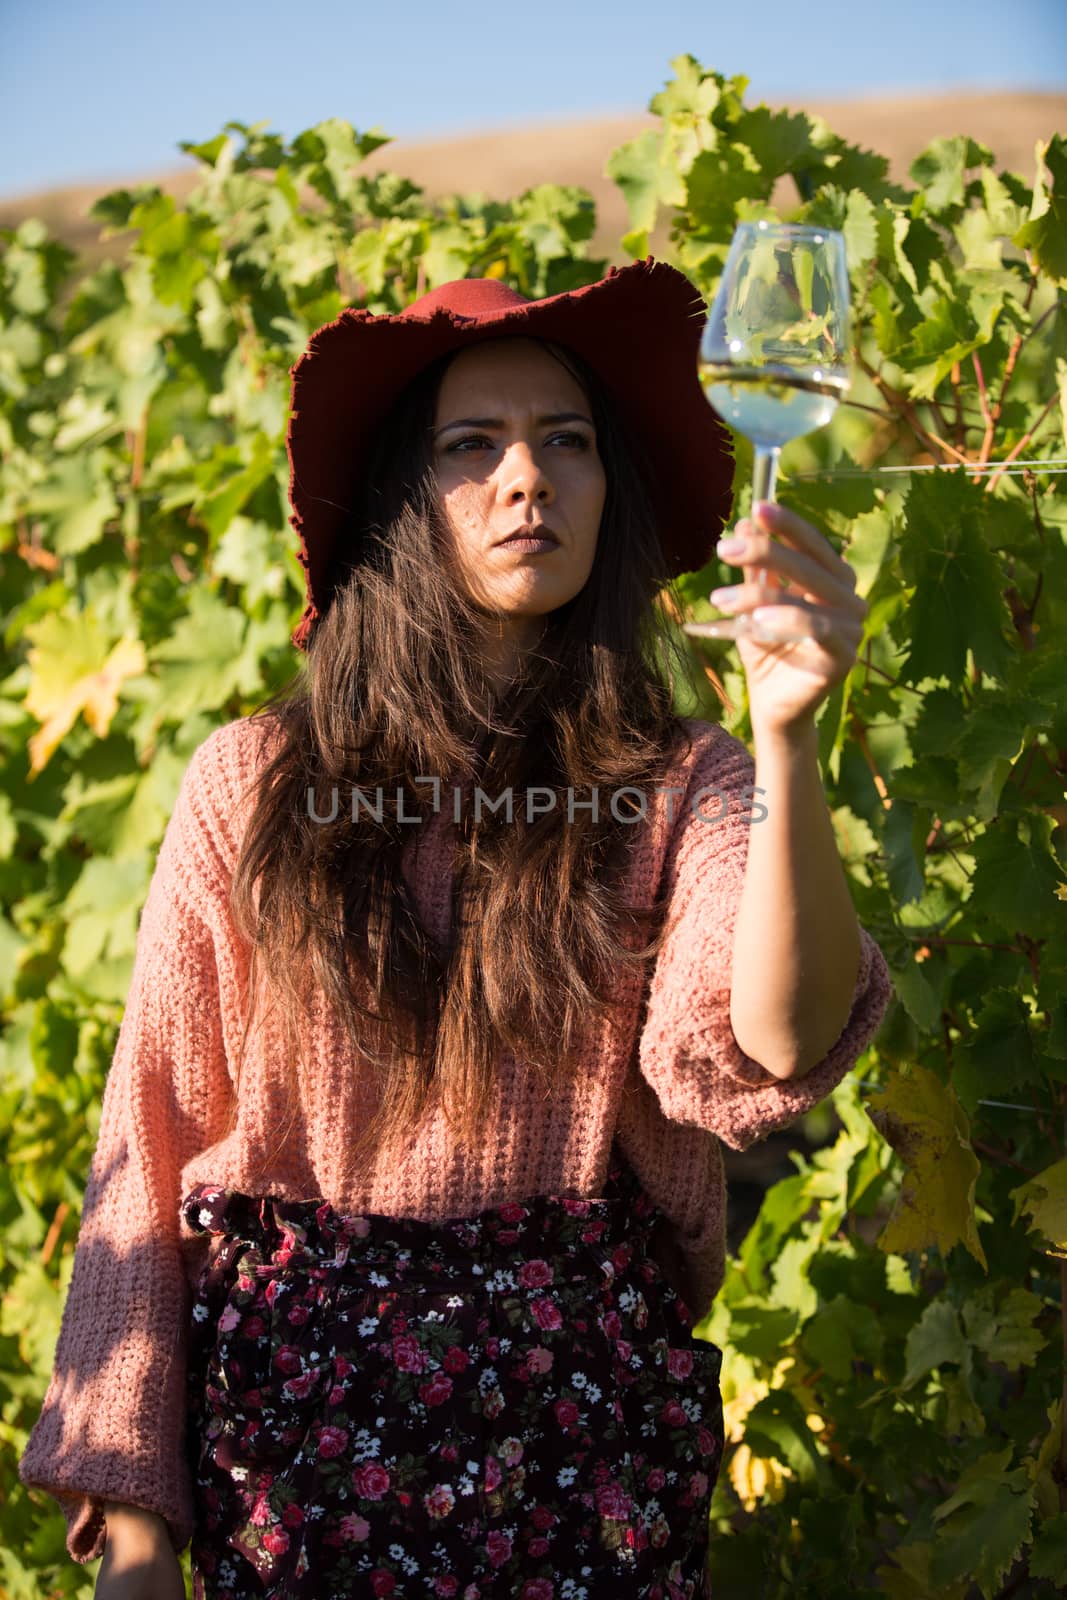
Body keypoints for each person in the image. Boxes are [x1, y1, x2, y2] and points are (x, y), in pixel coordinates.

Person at [19, 257, 891, 1600]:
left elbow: (768, 1043)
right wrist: (135, 1541)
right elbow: (148, 1145)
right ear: (397, 504)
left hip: (585, 1464)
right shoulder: (252, 786)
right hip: (298, 1477)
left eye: (568, 442)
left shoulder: (686, 783)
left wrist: (790, 737)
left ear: (613, 492)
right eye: (471, 446)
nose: (527, 478)